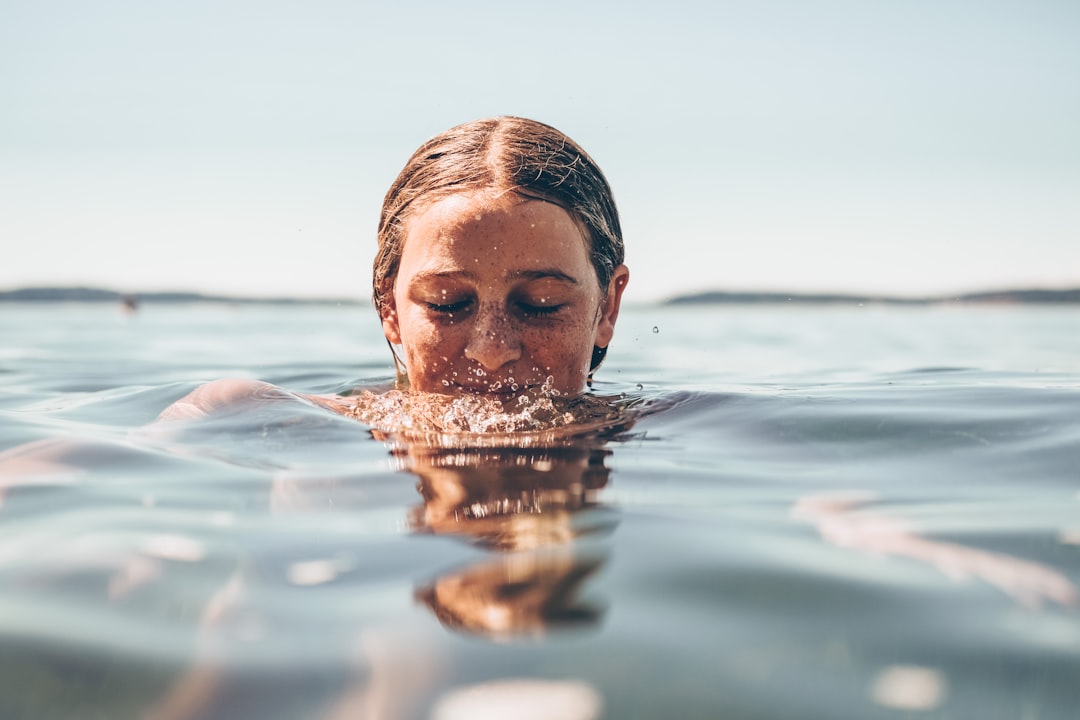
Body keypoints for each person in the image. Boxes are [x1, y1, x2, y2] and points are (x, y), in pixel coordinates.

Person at [154, 116, 631, 428]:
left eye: (539, 303)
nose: (491, 349)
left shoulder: (676, 427)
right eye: (447, 303)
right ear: (390, 309)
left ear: (607, 306)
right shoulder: (254, 416)